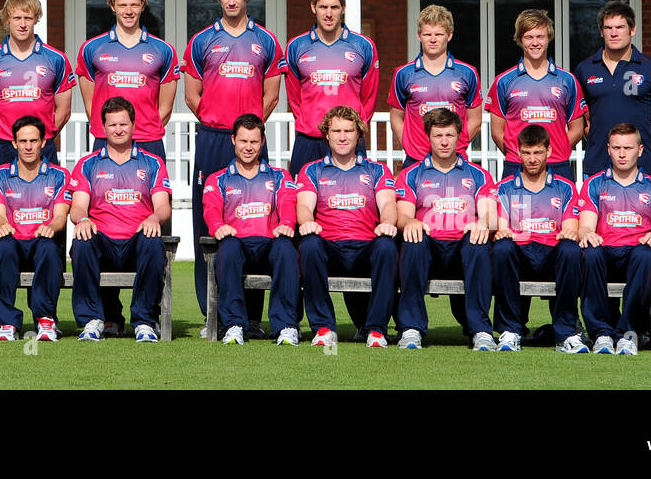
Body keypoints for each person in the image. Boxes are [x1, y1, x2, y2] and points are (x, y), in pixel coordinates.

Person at [182, 0, 284, 314]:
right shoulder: (202, 40)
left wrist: (248, 131)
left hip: (251, 140)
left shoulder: (266, 40)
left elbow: (272, 95)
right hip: (213, 138)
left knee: (256, 221)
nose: (230, 1)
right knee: (207, 223)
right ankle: (210, 309)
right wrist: (218, 121)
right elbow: (191, 95)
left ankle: (251, 315)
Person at [68, 98, 172, 343]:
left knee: (153, 241)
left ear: (133, 125)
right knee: (82, 242)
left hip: (137, 238)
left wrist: (154, 218)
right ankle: (92, 320)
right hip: (103, 240)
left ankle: (144, 321)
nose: (118, 129)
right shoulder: (88, 164)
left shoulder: (152, 162)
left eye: (123, 124)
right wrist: (82, 219)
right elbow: (78, 206)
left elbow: (163, 206)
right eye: (112, 124)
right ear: (103, 127)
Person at [296, 106, 399, 349]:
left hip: (365, 247)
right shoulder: (312, 170)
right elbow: (303, 206)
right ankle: (323, 328)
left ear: (358, 135)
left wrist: (387, 222)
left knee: (387, 247)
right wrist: (306, 221)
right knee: (309, 245)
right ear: (327, 135)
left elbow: (388, 204)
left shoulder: (376, 170)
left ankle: (375, 330)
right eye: (337, 131)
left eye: (349, 131)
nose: (342, 137)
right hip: (329, 246)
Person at [395, 107, 496, 350]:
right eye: (438, 135)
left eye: (449, 135)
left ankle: (480, 330)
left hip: (461, 246)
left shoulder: (478, 174)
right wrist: (410, 222)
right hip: (428, 245)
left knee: (478, 242)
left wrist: (483, 222)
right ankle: (411, 329)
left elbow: (490, 214)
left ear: (459, 137)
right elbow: (402, 215)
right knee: (412, 240)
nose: (443, 142)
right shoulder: (411, 174)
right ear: (428, 137)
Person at [577, 124, 651, 355]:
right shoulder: (594, 183)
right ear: (608, 149)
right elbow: (585, 226)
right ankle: (601, 334)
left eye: (628, 148)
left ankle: (626, 334)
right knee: (589, 253)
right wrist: (587, 234)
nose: (622, 154)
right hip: (606, 251)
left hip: (636, 253)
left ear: (640, 150)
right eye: (617, 148)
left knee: (644, 254)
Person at [202, 114, 298, 345]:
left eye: (254, 142)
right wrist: (217, 226)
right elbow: (211, 208)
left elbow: (287, 202)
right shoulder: (218, 179)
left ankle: (285, 326)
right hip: (238, 244)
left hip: (269, 244)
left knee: (286, 248)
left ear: (262, 142)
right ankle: (234, 325)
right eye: (243, 141)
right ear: (233, 140)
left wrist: (287, 223)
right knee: (229, 247)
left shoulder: (279, 176)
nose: (248, 147)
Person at [491, 124, 585, 353]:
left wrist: (569, 232)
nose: (532, 159)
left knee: (571, 249)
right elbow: (502, 228)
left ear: (548, 152)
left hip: (551, 256)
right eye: (526, 152)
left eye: (537, 152)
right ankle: (511, 331)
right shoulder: (504, 188)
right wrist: (503, 232)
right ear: (518, 152)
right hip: (521, 256)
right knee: (502, 247)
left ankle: (566, 333)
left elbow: (571, 227)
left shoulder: (565, 187)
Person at [76, 0, 180, 159]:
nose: (129, 11)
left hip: (148, 140)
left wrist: (144, 128)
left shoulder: (164, 50)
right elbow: (91, 106)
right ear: (113, 7)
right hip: (106, 140)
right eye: (123, 5)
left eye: (134, 4)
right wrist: (112, 130)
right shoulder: (91, 48)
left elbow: (166, 108)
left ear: (142, 6)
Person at [0, 0, 75, 173]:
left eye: (28, 18)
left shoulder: (57, 59)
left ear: (36, 19)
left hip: (41, 147)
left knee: (45, 200)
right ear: (7, 20)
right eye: (17, 18)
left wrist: (41, 138)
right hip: (1, 147)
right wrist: (1, 134)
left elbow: (64, 111)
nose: (23, 24)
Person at [0, 116, 73, 342]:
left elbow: (60, 216)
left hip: (41, 238)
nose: (28, 146)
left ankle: (45, 320)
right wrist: (1, 223)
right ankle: (6, 323)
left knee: (48, 248)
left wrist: (51, 227)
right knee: (3, 248)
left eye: (33, 141)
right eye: (23, 141)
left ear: (43, 142)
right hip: (13, 239)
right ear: (14, 143)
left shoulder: (60, 175)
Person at [284, 0, 379, 177]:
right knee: (301, 202)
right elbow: (294, 95)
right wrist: (308, 121)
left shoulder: (363, 46)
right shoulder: (296, 46)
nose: (328, 14)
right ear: (313, 7)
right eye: (323, 7)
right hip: (310, 139)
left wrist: (355, 127)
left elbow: (369, 95)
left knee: (353, 201)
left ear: (343, 8)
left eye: (334, 7)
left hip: (348, 139)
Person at [487, 9, 587, 179]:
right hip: (517, 165)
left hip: (557, 165)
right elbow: (497, 132)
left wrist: (553, 152)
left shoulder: (567, 80)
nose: (535, 42)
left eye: (540, 37)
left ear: (548, 38)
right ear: (520, 39)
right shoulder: (504, 81)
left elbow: (577, 129)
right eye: (529, 37)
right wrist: (521, 156)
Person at [577, 1, 651, 177]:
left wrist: (638, 150)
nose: (613, 33)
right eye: (608, 27)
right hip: (597, 169)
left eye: (620, 27)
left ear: (632, 30)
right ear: (601, 31)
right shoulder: (585, 69)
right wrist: (604, 145)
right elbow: (583, 122)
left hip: (643, 169)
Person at [388, 4, 482, 167]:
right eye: (427, 34)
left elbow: (475, 119)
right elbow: (396, 117)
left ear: (449, 35)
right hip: (416, 159)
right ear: (419, 35)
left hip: (455, 158)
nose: (433, 39)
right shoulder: (403, 73)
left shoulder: (467, 72)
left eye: (439, 34)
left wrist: (457, 143)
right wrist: (410, 146)